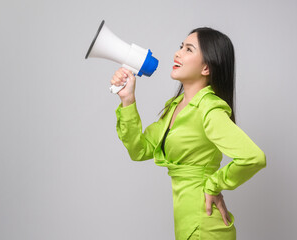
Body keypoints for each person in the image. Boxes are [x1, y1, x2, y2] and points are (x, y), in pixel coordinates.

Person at [111, 27, 266, 240]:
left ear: (206, 68)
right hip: (187, 222)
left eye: (189, 49)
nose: (178, 53)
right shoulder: (175, 107)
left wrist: (213, 185)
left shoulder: (209, 108)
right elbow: (139, 150)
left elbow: (253, 157)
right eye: (180, 47)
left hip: (204, 226)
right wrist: (127, 100)